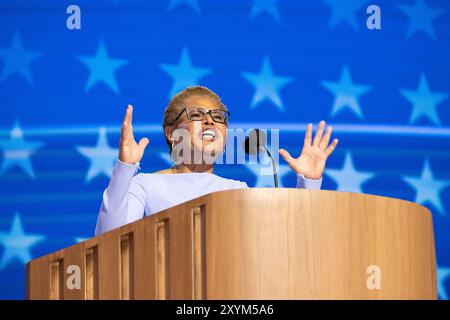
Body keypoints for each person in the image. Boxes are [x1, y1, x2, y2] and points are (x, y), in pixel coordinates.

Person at [95, 86, 339, 235]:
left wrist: (309, 183)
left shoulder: (237, 190)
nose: (210, 121)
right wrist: (125, 168)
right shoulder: (145, 185)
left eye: (218, 117)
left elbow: (289, 245)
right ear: (171, 133)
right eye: (197, 115)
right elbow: (109, 240)